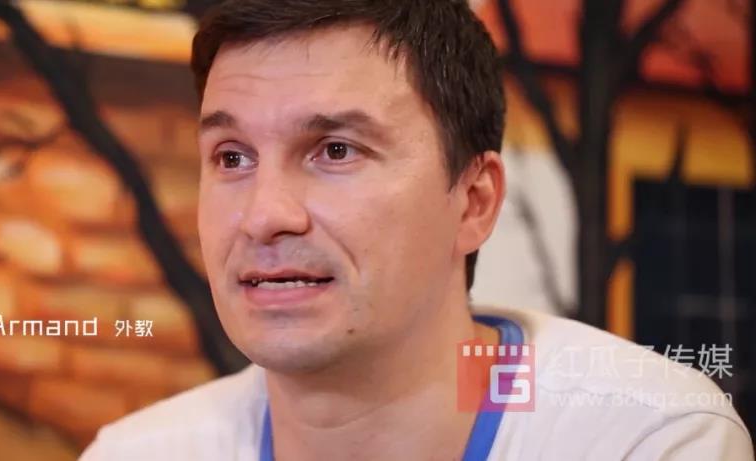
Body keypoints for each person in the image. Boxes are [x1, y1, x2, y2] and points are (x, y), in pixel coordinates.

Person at [80, 0, 754, 459]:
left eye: (335, 150)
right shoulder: (138, 452)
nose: (264, 215)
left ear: (474, 201)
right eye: (232, 158)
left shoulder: (644, 437)